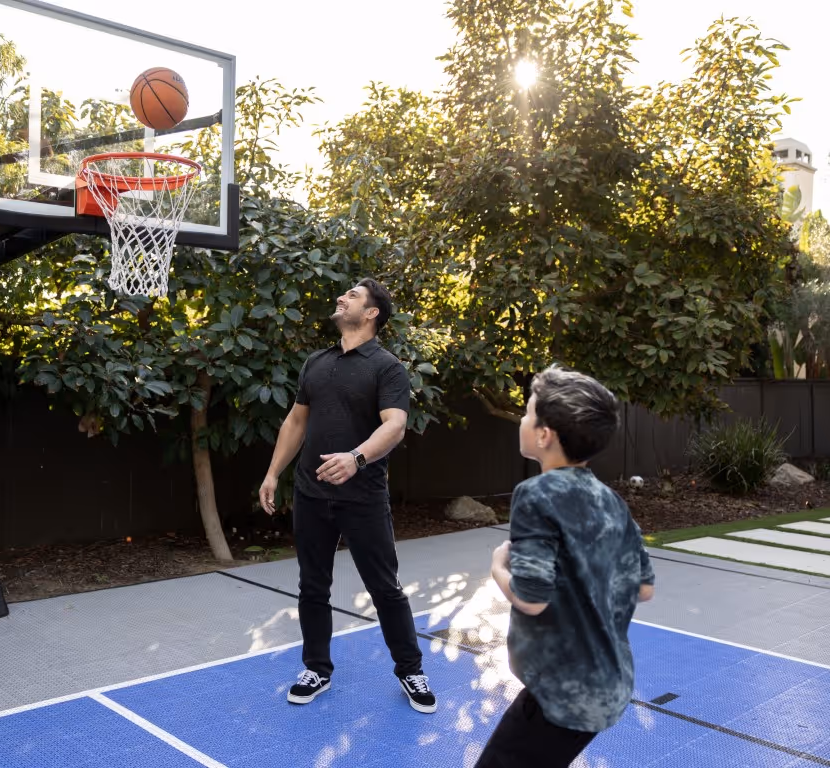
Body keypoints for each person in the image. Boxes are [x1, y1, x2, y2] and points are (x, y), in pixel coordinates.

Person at [259, 278, 436, 714]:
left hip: (364, 497)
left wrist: (356, 458)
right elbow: (296, 422)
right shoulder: (316, 362)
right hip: (310, 493)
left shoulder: (386, 367)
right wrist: (272, 473)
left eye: (353, 295)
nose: (342, 297)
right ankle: (316, 668)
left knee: (385, 588)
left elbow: (394, 425)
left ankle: (410, 669)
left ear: (372, 313)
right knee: (312, 585)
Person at [476, 366, 656, 767]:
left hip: (562, 698)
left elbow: (532, 598)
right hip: (608, 687)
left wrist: (498, 568)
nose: (521, 419)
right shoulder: (612, 501)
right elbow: (644, 588)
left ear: (544, 435)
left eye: (526, 412)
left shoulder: (534, 495)